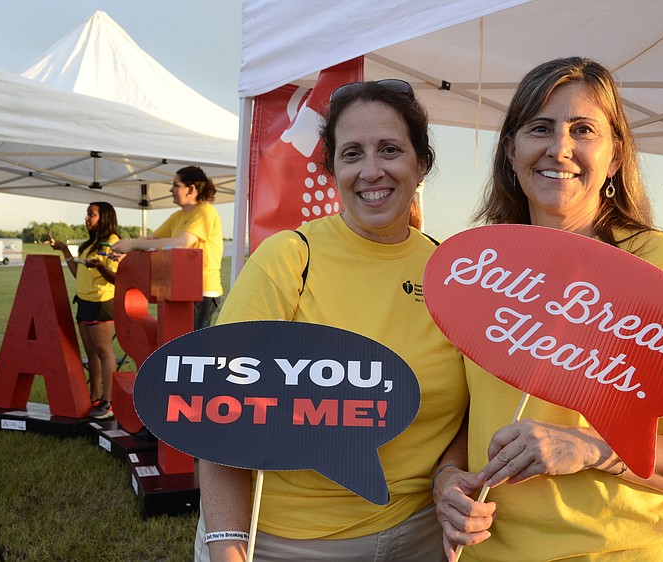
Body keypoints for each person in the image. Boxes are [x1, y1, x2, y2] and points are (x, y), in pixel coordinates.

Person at [432, 57, 663, 561]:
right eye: (539, 128)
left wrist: (592, 448)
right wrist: (448, 479)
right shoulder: (478, 269)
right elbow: (473, 415)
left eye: (583, 129)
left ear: (614, 157)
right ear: (510, 151)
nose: (559, 148)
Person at [195, 79, 468, 562]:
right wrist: (227, 548)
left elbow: (470, 410)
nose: (371, 171)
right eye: (352, 154)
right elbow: (218, 415)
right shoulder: (287, 258)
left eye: (389, 150)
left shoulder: (455, 276)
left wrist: (449, 474)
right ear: (331, 169)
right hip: (283, 543)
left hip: (419, 536)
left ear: (421, 163)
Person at [111, 166, 223, 330]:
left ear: (191, 189)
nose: (171, 189)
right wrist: (127, 250)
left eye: (176, 185)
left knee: (190, 349)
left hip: (202, 291)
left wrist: (132, 245)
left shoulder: (206, 212)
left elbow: (181, 243)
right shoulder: (178, 216)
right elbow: (151, 239)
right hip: (179, 290)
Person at [49, 202, 120, 420]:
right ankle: (95, 397)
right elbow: (78, 273)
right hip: (84, 302)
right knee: (91, 354)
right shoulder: (89, 244)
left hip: (102, 302)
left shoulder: (114, 243)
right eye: (87, 214)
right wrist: (64, 250)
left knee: (104, 351)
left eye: (92, 214)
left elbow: (117, 278)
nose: (86, 218)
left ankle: (109, 402)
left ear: (105, 217)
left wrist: (100, 266)